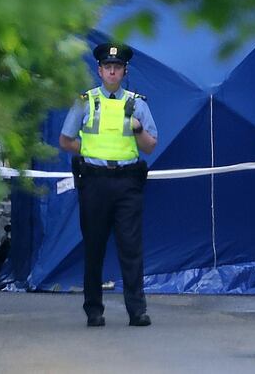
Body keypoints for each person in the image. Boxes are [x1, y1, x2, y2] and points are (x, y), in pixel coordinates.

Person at [59, 42, 158, 327]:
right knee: (94, 247)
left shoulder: (137, 103)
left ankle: (137, 311)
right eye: (108, 67)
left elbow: (150, 146)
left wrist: (137, 129)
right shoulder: (85, 101)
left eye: (117, 68)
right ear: (99, 70)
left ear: (124, 72)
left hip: (127, 182)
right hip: (95, 182)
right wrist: (89, 152)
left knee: (131, 247)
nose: (112, 72)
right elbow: (65, 140)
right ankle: (94, 310)